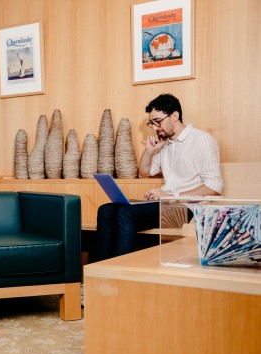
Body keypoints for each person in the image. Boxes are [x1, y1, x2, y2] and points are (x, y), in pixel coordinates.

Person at [91, 93, 223, 262]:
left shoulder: (202, 140)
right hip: (166, 204)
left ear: (174, 116)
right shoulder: (167, 144)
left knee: (125, 213)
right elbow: (144, 173)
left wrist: (170, 195)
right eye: (151, 123)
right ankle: (99, 273)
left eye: (158, 121)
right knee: (106, 210)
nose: (155, 128)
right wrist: (149, 150)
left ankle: (120, 273)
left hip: (190, 208)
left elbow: (214, 187)